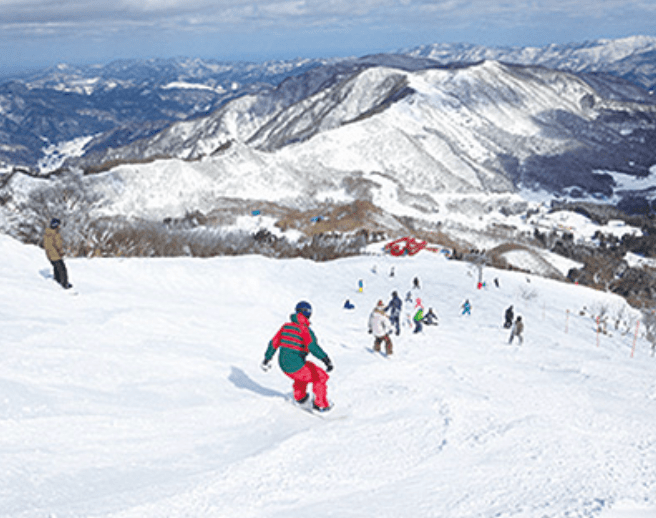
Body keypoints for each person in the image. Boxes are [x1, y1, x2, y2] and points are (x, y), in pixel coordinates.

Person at [261, 301, 334, 412]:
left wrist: (267, 359)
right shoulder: (305, 330)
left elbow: (274, 343)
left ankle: (301, 398)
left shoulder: (285, 327)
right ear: (309, 314)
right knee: (320, 376)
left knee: (307, 369)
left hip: (283, 364)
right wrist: (326, 360)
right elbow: (313, 347)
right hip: (295, 365)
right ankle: (321, 405)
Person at [43, 218, 72, 289]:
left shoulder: (47, 233)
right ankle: (64, 284)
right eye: (59, 225)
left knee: (56, 268)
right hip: (55, 254)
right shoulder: (55, 234)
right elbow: (58, 245)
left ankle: (57, 280)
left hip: (49, 255)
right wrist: (61, 252)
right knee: (62, 269)